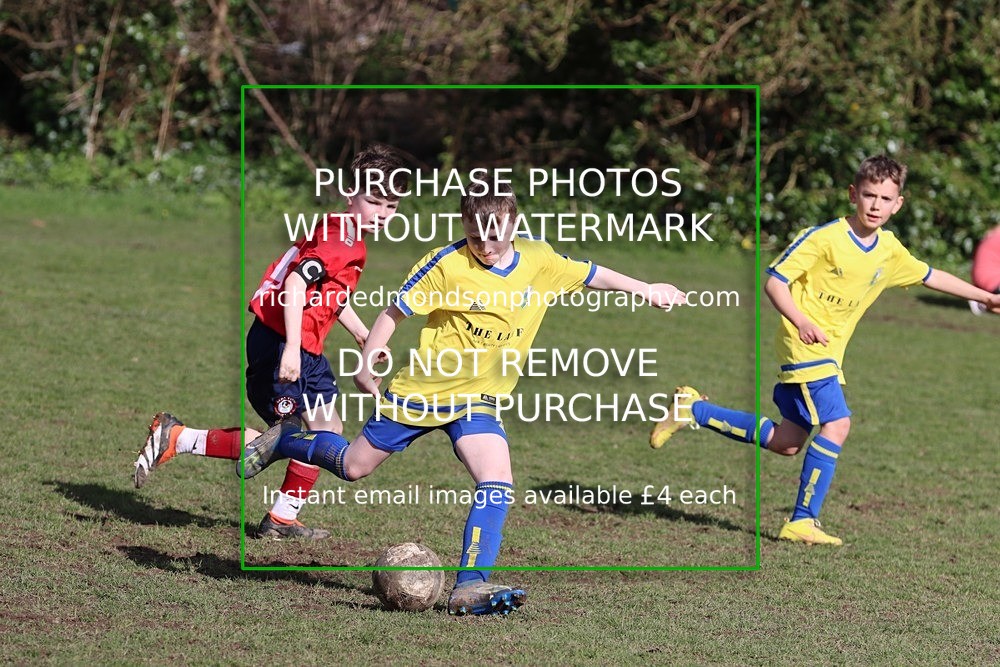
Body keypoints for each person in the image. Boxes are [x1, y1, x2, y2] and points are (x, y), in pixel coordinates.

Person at [238, 179, 687, 616]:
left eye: (495, 237)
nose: (485, 248)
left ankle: (469, 585)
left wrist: (646, 289)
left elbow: (592, 274)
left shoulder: (539, 258)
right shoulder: (446, 264)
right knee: (353, 466)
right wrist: (368, 359)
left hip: (479, 399)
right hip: (422, 393)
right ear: (463, 226)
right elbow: (395, 312)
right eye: (474, 237)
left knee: (497, 481)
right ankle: (283, 442)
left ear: (515, 224)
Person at [649, 155, 1000, 546]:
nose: (875, 205)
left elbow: (929, 275)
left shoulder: (888, 249)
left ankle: (693, 410)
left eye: (885, 198)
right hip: (804, 348)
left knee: (787, 442)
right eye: (868, 195)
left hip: (829, 354)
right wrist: (801, 321)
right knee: (838, 424)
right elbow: (775, 281)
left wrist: (984, 297)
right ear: (854, 194)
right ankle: (802, 520)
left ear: (898, 203)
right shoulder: (823, 237)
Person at [132, 143, 407, 540]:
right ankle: (177, 437)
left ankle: (281, 519)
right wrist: (292, 348)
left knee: (327, 429)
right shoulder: (338, 242)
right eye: (374, 201)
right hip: (279, 342)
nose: (381, 214)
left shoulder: (345, 233)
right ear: (351, 195)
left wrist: (364, 334)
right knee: (288, 436)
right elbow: (296, 284)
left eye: (390, 207)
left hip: (304, 347)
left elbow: (329, 295)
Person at [969, 225, 1000, 315]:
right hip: (992, 281)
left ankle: (982, 300)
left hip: (982, 280)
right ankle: (982, 301)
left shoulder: (994, 235)